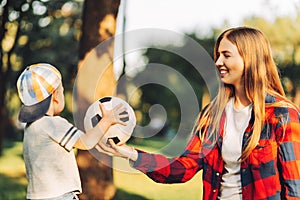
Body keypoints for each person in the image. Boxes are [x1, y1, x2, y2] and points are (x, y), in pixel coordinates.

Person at [98, 26, 300, 199]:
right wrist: (129, 153)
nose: (218, 62)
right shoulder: (212, 115)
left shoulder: (282, 115)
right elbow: (182, 168)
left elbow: (295, 187)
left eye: (226, 55)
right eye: (218, 55)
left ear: (250, 59)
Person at [16, 63, 128, 200]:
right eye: (62, 91)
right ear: (56, 95)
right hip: (59, 196)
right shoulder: (54, 124)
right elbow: (86, 142)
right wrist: (107, 120)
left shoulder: (31, 127)